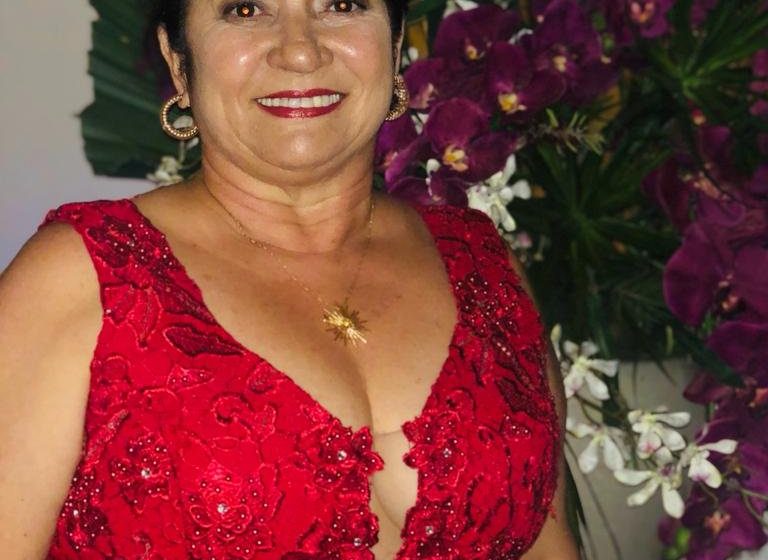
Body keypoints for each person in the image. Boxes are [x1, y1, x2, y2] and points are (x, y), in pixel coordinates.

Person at [0, 0, 580, 558]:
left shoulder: (483, 265)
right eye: (245, 9)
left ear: (396, 41)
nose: (300, 51)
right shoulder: (80, 278)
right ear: (179, 61)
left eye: (343, 5)